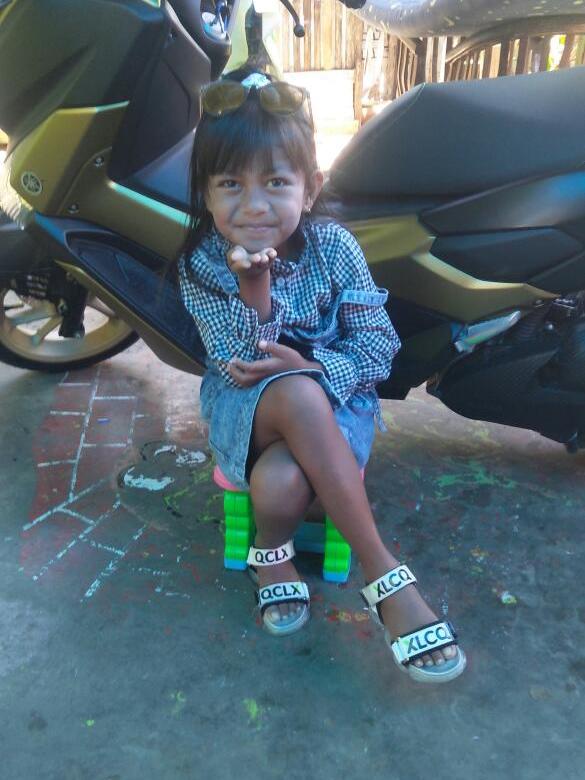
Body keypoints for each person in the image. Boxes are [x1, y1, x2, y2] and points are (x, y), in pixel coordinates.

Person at [178, 68, 466, 683]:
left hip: (339, 405)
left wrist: (311, 366)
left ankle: (270, 555)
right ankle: (385, 577)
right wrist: (255, 289)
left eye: (275, 182)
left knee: (282, 479)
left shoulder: (334, 247)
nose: (253, 204)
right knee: (293, 394)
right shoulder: (201, 263)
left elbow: (379, 347)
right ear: (205, 193)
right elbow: (242, 365)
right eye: (230, 183)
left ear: (309, 189)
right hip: (243, 411)